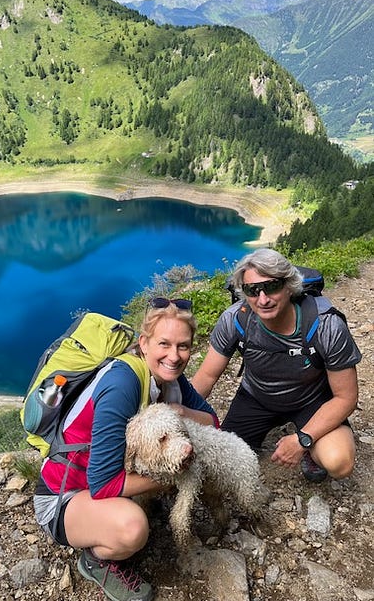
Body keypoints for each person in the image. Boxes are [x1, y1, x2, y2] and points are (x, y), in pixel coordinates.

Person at [33, 298, 219, 601]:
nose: (174, 356)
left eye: (183, 346)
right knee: (133, 528)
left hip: (99, 484)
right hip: (63, 497)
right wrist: (176, 475)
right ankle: (96, 560)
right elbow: (103, 484)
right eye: (164, 344)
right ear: (143, 343)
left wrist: (180, 412)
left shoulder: (170, 378)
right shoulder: (123, 384)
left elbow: (212, 422)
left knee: (193, 452)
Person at [192, 248, 361, 484]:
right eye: (252, 290)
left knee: (338, 461)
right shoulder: (235, 319)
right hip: (256, 398)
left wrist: (303, 439)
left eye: (271, 286)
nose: (263, 299)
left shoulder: (325, 325)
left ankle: (314, 449)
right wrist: (175, 415)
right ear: (244, 292)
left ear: (289, 285)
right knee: (218, 464)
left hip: (312, 400)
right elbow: (206, 377)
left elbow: (346, 398)